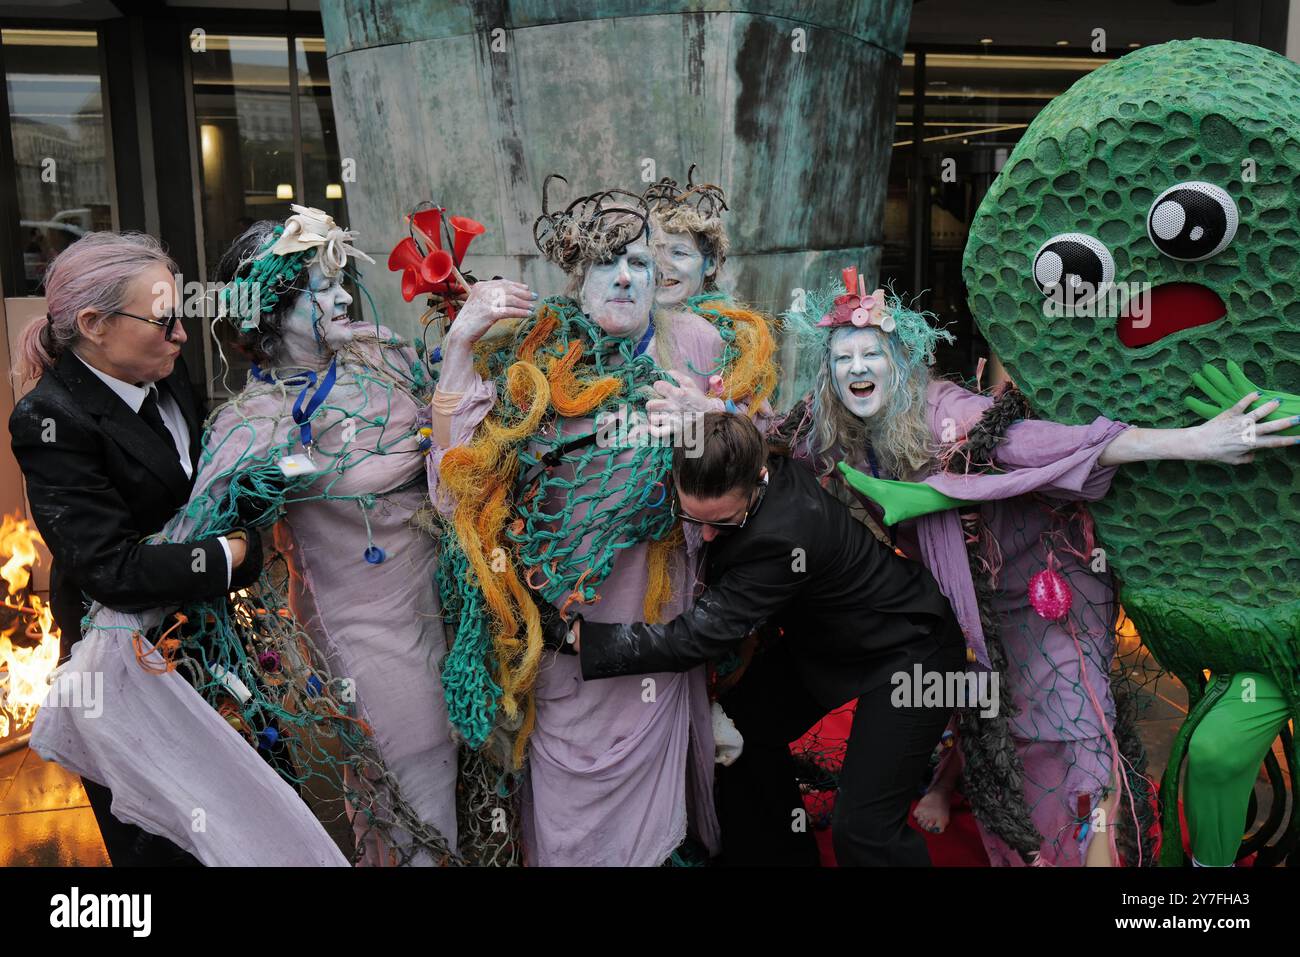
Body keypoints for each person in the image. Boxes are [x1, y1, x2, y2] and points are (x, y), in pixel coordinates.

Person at [782, 269, 1298, 865]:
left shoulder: (949, 416)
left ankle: (1101, 859)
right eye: (843, 357)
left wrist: (1196, 441)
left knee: (1076, 729)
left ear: (899, 361)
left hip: (1046, 586)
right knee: (1003, 732)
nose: (856, 367)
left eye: (871, 352)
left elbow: (1052, 444)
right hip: (971, 605)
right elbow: (776, 438)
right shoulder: (835, 427)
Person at [430, 178, 776, 865]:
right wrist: (463, 342)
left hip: (661, 630)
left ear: (657, 277)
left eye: (639, 262)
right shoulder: (536, 353)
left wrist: (711, 425)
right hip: (567, 638)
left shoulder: (696, 344)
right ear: (576, 280)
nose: (622, 278)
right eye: (603, 264)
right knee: (567, 824)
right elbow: (456, 489)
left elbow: (759, 464)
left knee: (656, 832)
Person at [548, 411, 965, 866]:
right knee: (743, 726)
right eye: (691, 516)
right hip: (826, 640)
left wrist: (577, 638)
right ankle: (782, 855)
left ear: (759, 481)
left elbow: (690, 640)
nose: (705, 534)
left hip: (909, 650)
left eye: (722, 522)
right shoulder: (740, 454)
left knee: (863, 830)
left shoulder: (783, 539)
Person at [10, 231, 262, 865]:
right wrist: (234, 555)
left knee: (253, 825)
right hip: (128, 679)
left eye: (182, 315)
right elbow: (110, 568)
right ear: (93, 324)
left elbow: (207, 497)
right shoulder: (52, 418)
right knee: (169, 849)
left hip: (210, 651)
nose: (181, 335)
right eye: (164, 320)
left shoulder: (170, 383)